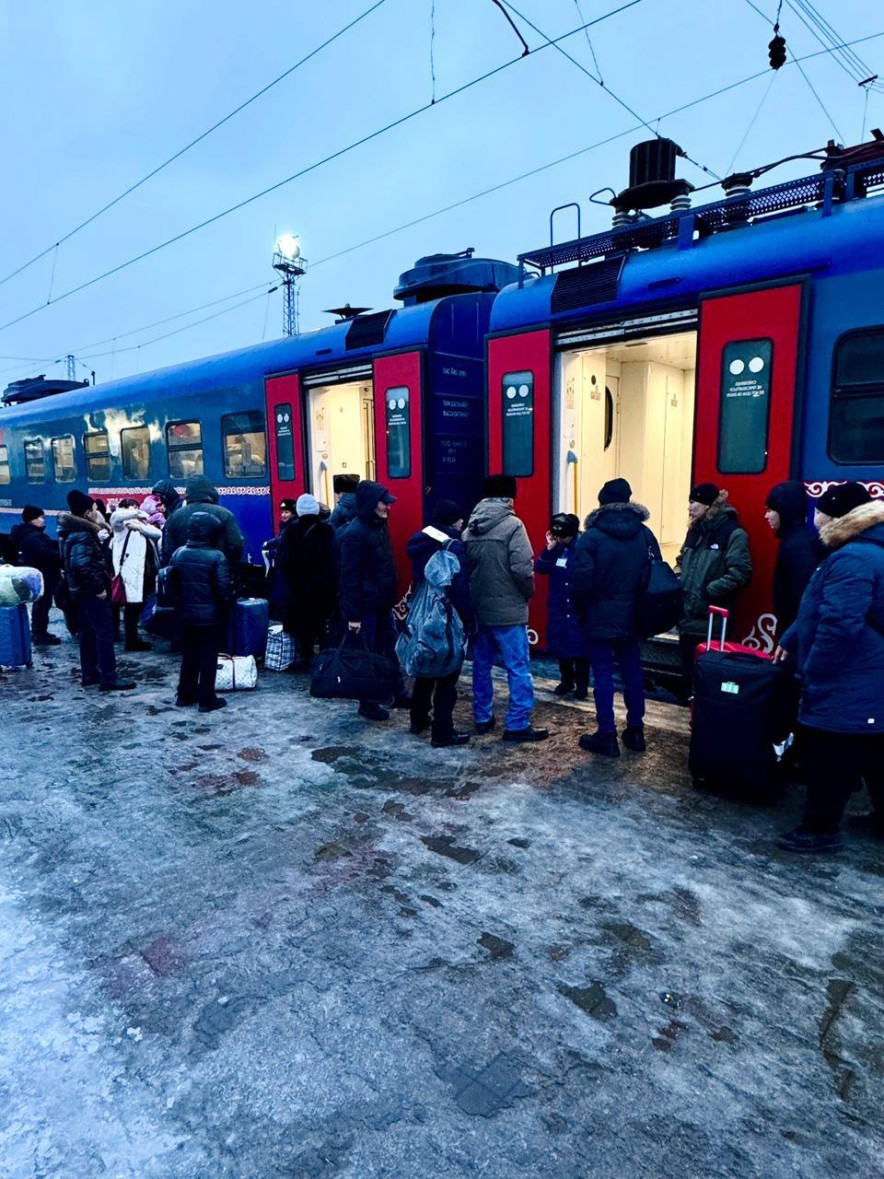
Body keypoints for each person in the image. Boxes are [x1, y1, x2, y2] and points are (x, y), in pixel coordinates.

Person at [773, 483, 883, 854]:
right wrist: (790, 638)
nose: (813, 517)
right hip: (867, 674)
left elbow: (839, 624)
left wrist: (815, 669)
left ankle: (819, 829)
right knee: (872, 748)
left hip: (852, 675)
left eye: (819, 511)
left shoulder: (851, 558)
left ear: (836, 516)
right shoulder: (860, 551)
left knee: (830, 753)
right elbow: (816, 606)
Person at [570, 478, 661, 757]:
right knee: (633, 671)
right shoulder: (644, 534)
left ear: (601, 503)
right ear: (629, 501)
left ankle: (606, 734)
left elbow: (581, 583)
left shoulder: (591, 538)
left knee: (604, 674)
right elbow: (656, 573)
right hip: (634, 615)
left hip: (600, 615)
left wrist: (583, 608)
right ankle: (636, 731)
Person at [463, 474, 547, 742]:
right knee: (518, 667)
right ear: (510, 498)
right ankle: (517, 723)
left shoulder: (470, 528)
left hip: (479, 610)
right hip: (509, 612)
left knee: (481, 666)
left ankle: (482, 717)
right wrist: (527, 594)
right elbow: (523, 569)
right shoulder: (513, 526)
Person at [405, 499, 475, 747]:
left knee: (425, 663)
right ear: (453, 520)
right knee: (447, 674)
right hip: (447, 617)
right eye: (459, 518)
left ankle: (418, 719)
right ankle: (442, 731)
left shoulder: (419, 540)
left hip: (422, 612)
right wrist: (469, 618)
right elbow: (459, 588)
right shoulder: (453, 546)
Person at [676, 482, 753, 696]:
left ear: (709, 505)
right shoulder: (694, 531)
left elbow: (740, 573)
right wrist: (677, 582)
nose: (689, 507)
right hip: (687, 616)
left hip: (712, 620)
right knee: (688, 673)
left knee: (708, 676)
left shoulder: (733, 533)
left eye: (694, 502)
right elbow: (681, 560)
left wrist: (709, 591)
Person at [339, 480, 406, 721]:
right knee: (367, 655)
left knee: (389, 649)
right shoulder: (354, 534)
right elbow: (350, 579)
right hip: (366, 607)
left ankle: (396, 691)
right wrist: (354, 616)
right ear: (370, 504)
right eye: (384, 503)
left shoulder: (378, 526)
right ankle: (367, 703)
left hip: (381, 603)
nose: (388, 507)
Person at [58, 489, 136, 692]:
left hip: (79, 591)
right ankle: (109, 678)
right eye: (94, 509)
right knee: (104, 632)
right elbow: (81, 564)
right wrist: (98, 587)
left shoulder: (72, 532)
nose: (97, 511)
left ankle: (90, 674)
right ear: (87, 514)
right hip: (90, 592)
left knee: (87, 632)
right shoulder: (83, 535)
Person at [169, 513, 236, 713]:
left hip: (185, 615)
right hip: (210, 617)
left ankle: (184, 694)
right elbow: (225, 591)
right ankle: (207, 699)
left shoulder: (179, 553)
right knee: (208, 656)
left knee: (189, 655)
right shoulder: (217, 557)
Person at [277, 493, 337, 669]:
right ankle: (325, 657)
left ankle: (306, 656)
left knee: (303, 625)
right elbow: (334, 558)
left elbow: (282, 560)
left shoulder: (291, 531)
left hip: (298, 588)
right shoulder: (327, 531)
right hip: (322, 587)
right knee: (322, 623)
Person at [535, 512, 589, 700]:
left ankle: (582, 684)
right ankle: (567, 680)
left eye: (563, 536)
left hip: (576, 605)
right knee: (560, 644)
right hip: (558, 604)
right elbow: (541, 569)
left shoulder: (583, 547)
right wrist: (549, 548)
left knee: (581, 647)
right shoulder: (557, 547)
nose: (561, 539)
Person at [764, 481, 822, 642]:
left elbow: (804, 596)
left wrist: (790, 638)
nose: (766, 516)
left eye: (770, 510)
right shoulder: (798, 540)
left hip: (795, 631)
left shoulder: (797, 546)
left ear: (784, 511)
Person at [109, 498, 161, 652]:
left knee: (136, 607)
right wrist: (137, 514)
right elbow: (115, 517)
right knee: (131, 608)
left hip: (142, 573)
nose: (135, 509)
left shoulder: (140, 525)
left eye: (137, 507)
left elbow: (158, 533)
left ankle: (133, 638)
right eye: (131, 507)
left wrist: (141, 526)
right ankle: (131, 640)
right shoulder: (121, 526)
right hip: (128, 573)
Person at [161, 475, 245, 568]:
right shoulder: (224, 514)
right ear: (210, 491)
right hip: (216, 573)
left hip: (183, 574)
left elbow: (167, 550)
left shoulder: (174, 517)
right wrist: (228, 565)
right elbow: (236, 544)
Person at [11, 505, 62, 645]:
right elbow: (46, 553)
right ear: (32, 520)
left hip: (41, 573)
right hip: (43, 574)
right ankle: (40, 634)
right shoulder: (34, 537)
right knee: (42, 605)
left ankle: (40, 632)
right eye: (41, 517)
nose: (43, 520)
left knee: (42, 605)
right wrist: (62, 555)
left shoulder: (32, 534)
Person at [263, 499, 297, 621]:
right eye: (282, 512)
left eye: (286, 512)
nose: (283, 515)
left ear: (293, 513)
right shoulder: (288, 525)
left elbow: (282, 541)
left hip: (285, 568)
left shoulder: (291, 526)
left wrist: (267, 544)